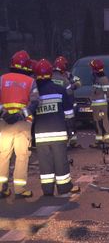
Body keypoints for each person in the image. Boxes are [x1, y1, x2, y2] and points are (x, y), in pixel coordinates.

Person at [33, 59, 80, 196]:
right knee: (60, 161)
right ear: (50, 73)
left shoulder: (34, 93)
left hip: (40, 135)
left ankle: (47, 190)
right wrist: (71, 129)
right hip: (58, 132)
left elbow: (31, 113)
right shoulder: (59, 90)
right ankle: (64, 187)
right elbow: (68, 112)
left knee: (45, 162)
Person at [0, 50, 39, 198]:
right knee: (22, 157)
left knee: (3, 156)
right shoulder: (30, 82)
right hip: (22, 124)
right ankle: (19, 190)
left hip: (3, 124)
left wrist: (4, 114)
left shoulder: (2, 79)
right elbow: (35, 102)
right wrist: (19, 115)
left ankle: (1, 188)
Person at [52, 56, 80, 148]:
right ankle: (69, 140)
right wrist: (74, 86)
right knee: (69, 123)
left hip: (53, 105)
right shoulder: (64, 79)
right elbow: (69, 92)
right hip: (66, 105)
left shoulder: (49, 77)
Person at [88, 59, 109, 149]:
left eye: (92, 68)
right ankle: (99, 141)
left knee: (104, 122)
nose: (91, 70)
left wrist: (105, 99)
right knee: (97, 123)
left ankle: (108, 141)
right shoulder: (97, 79)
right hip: (96, 106)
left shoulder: (103, 79)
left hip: (101, 106)